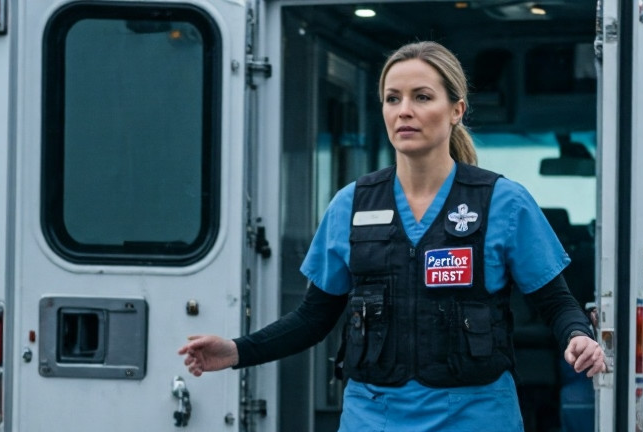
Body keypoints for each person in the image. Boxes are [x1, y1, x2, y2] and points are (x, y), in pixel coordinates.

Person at [178, 41, 606, 431]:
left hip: (476, 415)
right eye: (392, 98)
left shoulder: (503, 202)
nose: (404, 110)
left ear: (456, 109)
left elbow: (555, 302)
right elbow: (313, 318)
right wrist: (236, 351)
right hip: (373, 416)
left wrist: (578, 337)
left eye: (422, 97)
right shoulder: (352, 204)